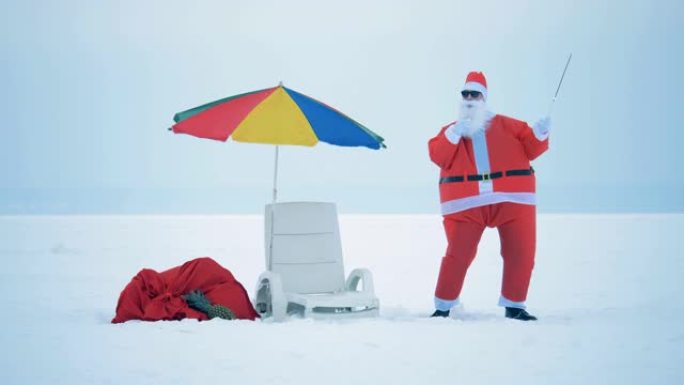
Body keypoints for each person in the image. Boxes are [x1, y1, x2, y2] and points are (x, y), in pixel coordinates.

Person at [428, 71, 550, 321]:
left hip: (513, 198)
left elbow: (532, 148)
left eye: (475, 94)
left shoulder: (510, 125)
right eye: (466, 94)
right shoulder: (450, 131)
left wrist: (540, 134)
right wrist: (452, 135)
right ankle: (443, 306)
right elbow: (438, 156)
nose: (470, 98)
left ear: (485, 98)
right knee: (458, 254)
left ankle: (515, 305)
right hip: (465, 202)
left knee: (521, 251)